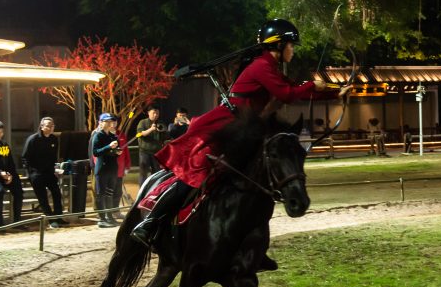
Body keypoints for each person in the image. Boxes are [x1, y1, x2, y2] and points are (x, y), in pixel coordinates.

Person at [129, 19, 351, 248]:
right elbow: (286, 94)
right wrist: (314, 86)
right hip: (225, 124)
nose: (293, 51)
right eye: (291, 46)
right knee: (195, 172)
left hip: (244, 126)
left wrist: (336, 94)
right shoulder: (261, 67)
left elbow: (294, 90)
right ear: (278, 45)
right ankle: (150, 223)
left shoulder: (269, 67)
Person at [22, 116, 66, 228]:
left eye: (52, 126)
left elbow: (53, 157)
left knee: (57, 193)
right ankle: (51, 220)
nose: (50, 128)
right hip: (36, 173)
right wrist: (31, 173)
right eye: (48, 126)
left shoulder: (54, 139)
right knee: (43, 198)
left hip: (49, 172)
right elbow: (25, 158)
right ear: (42, 127)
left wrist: (55, 168)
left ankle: (59, 217)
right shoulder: (33, 139)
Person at [91, 113, 122, 228]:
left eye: (111, 121)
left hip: (112, 168)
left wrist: (117, 152)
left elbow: (113, 153)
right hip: (102, 169)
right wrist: (109, 147)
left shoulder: (113, 136)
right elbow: (96, 152)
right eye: (106, 121)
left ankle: (110, 216)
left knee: (110, 193)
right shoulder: (98, 135)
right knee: (101, 194)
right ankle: (102, 218)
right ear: (101, 123)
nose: (109, 123)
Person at [135, 105, 167, 182]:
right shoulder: (143, 122)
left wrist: (162, 131)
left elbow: (165, 135)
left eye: (157, 113)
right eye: (154, 113)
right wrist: (151, 129)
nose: (156, 115)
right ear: (148, 113)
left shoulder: (160, 123)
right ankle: (142, 190)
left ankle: (155, 189)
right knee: (143, 173)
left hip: (156, 153)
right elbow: (140, 134)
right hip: (145, 152)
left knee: (157, 172)